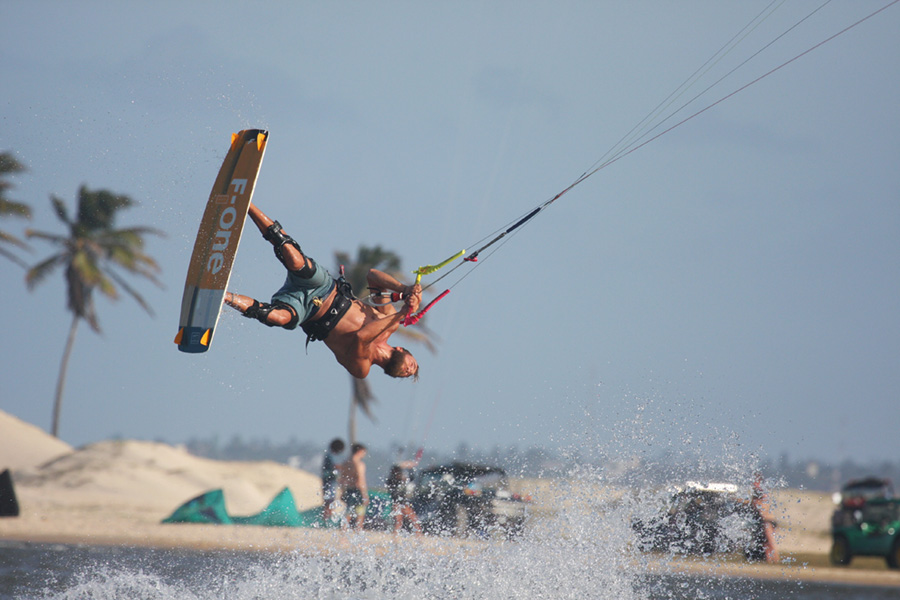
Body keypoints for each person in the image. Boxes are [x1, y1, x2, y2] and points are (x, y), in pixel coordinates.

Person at [225, 203, 422, 379]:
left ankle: (223, 296)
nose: (408, 371)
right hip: (325, 287)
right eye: (412, 365)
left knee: (278, 318)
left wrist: (403, 313)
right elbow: (372, 276)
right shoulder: (388, 319)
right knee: (294, 258)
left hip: (307, 311)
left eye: (407, 375)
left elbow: (361, 337)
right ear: (401, 349)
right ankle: (246, 204)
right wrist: (404, 289)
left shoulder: (362, 368)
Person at [748, 473, 779, 563]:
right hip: (763, 520)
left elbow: (761, 504)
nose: (753, 483)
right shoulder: (757, 491)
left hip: (767, 520)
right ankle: (770, 560)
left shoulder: (761, 491)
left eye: (755, 481)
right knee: (765, 542)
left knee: (770, 541)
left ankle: (776, 559)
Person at [386, 461, 422, 535]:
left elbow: (412, 478)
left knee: (415, 521)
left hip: (404, 504)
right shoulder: (392, 481)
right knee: (398, 523)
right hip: (397, 504)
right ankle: (395, 539)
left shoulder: (402, 481)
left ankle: (419, 538)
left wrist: (410, 468)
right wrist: (401, 465)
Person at [339, 443, 369, 530]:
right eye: (364, 452)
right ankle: (358, 533)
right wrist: (364, 494)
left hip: (348, 489)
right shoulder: (360, 464)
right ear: (359, 451)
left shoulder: (345, 463)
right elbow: (361, 480)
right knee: (360, 514)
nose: (364, 454)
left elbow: (342, 480)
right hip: (357, 490)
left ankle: (343, 533)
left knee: (348, 513)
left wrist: (342, 491)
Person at [321, 438, 345, 523]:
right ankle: (326, 521)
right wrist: (346, 467)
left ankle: (327, 520)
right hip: (329, 482)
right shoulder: (330, 456)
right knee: (329, 502)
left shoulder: (329, 455)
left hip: (330, 482)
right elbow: (334, 466)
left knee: (330, 502)